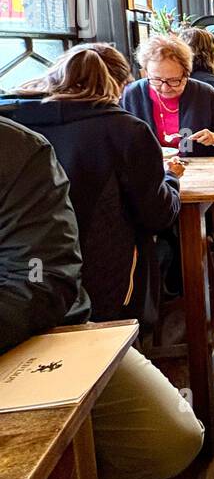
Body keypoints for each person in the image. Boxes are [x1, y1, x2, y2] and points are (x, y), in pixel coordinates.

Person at [0, 113, 203, 479]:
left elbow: (39, 285)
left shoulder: (17, 149)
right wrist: (171, 178)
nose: (161, 85)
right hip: (118, 283)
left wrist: (213, 147)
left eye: (172, 79)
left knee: (170, 437)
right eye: (157, 78)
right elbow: (160, 212)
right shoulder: (127, 124)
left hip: (54, 327)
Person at [1, 42, 181, 327]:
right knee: (170, 247)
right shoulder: (125, 131)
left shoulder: (11, 121)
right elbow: (158, 215)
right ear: (120, 86)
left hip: (16, 294)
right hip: (101, 293)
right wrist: (171, 179)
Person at [122, 34, 214, 156]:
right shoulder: (132, 94)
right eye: (156, 80)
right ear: (145, 72)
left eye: (173, 80)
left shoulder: (204, 94)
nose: (165, 88)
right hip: (148, 171)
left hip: (197, 171)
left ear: (186, 74)